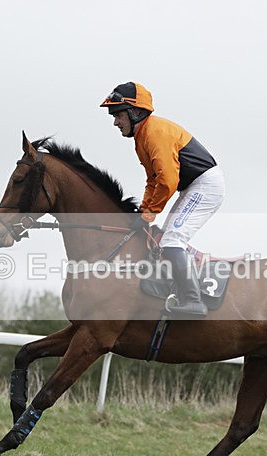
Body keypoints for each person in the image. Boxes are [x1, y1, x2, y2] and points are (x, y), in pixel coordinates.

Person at [100, 82, 225, 316]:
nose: (115, 122)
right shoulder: (142, 138)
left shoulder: (154, 132)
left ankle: (194, 300)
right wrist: (143, 211)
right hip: (193, 186)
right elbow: (153, 181)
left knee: (172, 241)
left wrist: (149, 214)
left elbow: (167, 181)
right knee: (166, 240)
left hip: (205, 185)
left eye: (118, 115)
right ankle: (180, 290)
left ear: (135, 112)